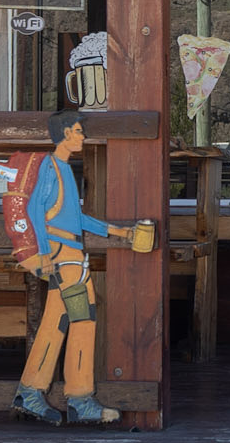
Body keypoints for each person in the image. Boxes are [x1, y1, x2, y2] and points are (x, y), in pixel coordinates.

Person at [12, 109, 137, 426]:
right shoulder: (52, 166)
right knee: (81, 318)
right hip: (62, 254)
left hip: (69, 252)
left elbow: (77, 217)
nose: (83, 136)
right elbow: (34, 209)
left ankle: (32, 393)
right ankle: (77, 399)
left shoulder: (65, 168)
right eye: (79, 131)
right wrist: (44, 253)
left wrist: (119, 231)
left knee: (60, 321)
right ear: (66, 133)